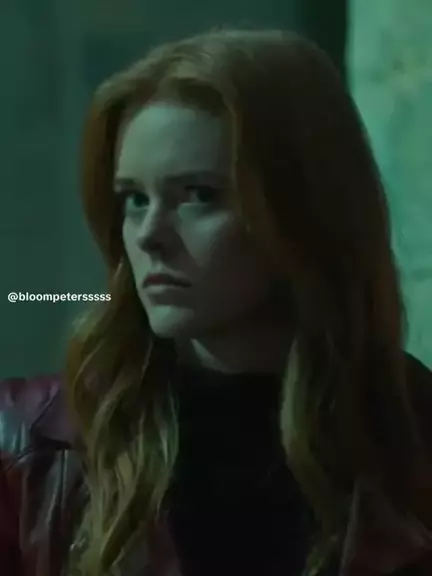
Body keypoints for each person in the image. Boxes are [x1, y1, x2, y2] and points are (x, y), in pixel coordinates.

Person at [1, 27, 432, 576]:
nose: (150, 235)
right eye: (134, 199)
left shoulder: (414, 437)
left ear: (304, 209)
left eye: (199, 195)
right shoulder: (24, 445)